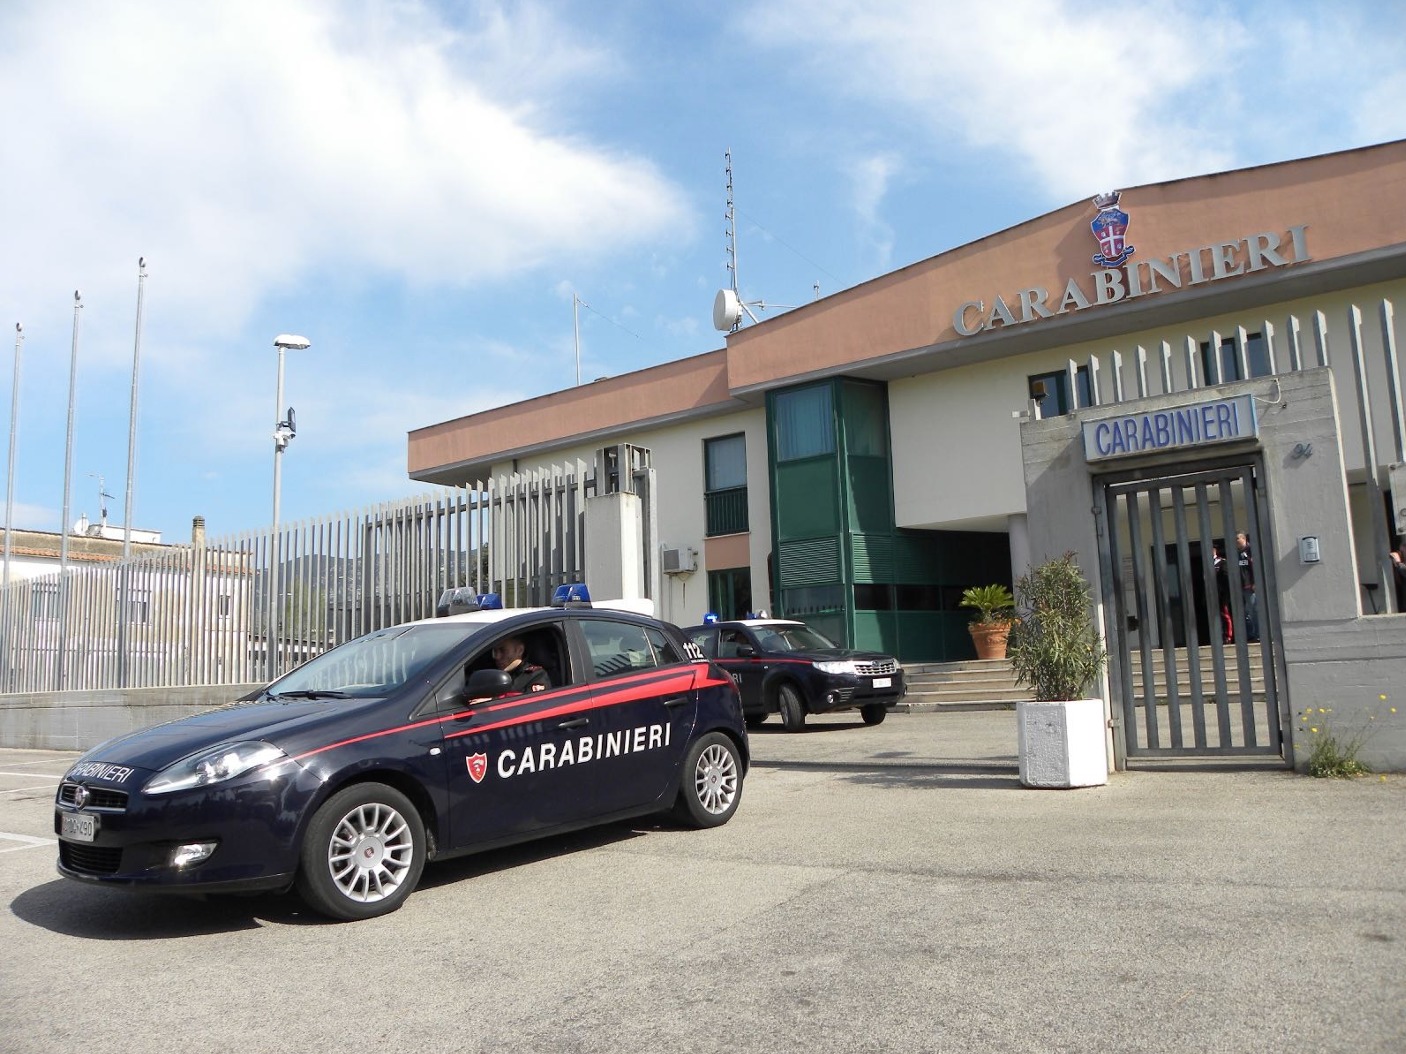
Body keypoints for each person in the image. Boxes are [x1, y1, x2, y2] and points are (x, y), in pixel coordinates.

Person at [1235, 531, 1259, 642]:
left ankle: (1257, 634)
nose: (1236, 541)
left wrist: (1255, 582)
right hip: (1241, 587)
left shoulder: (1250, 551)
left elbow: (1255, 567)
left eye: (1237, 539)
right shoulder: (1236, 553)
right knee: (1245, 612)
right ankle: (1250, 635)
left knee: (1252, 610)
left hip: (1250, 587)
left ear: (1243, 539)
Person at [1213, 544, 1233, 644]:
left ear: (1214, 550)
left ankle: (1227, 636)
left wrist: (1225, 593)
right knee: (1214, 616)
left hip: (1221, 594)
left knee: (1225, 615)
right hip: (1211, 595)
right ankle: (1218, 636)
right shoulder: (1206, 563)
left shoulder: (1222, 562)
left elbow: (1226, 578)